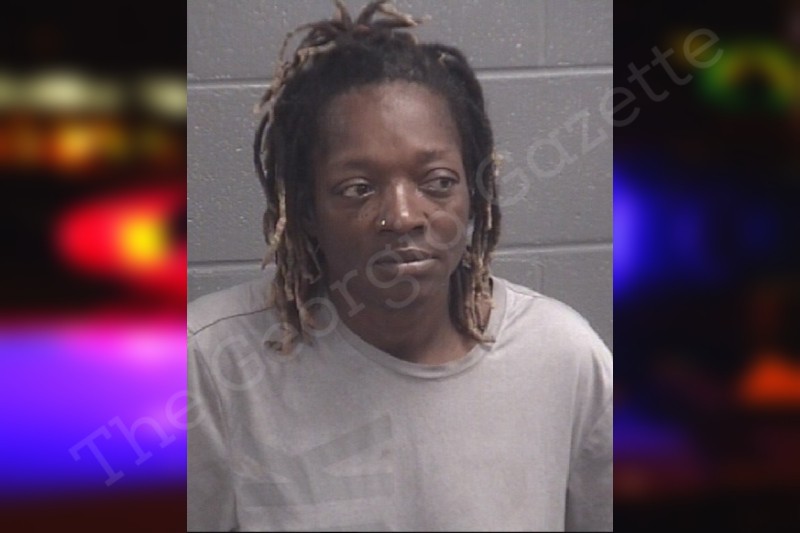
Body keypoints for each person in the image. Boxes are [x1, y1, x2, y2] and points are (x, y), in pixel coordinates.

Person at [187, 1, 612, 531]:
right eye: (357, 188)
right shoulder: (212, 364)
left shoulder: (562, 358)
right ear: (307, 209)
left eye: (437, 182)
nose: (404, 216)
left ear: (475, 196)